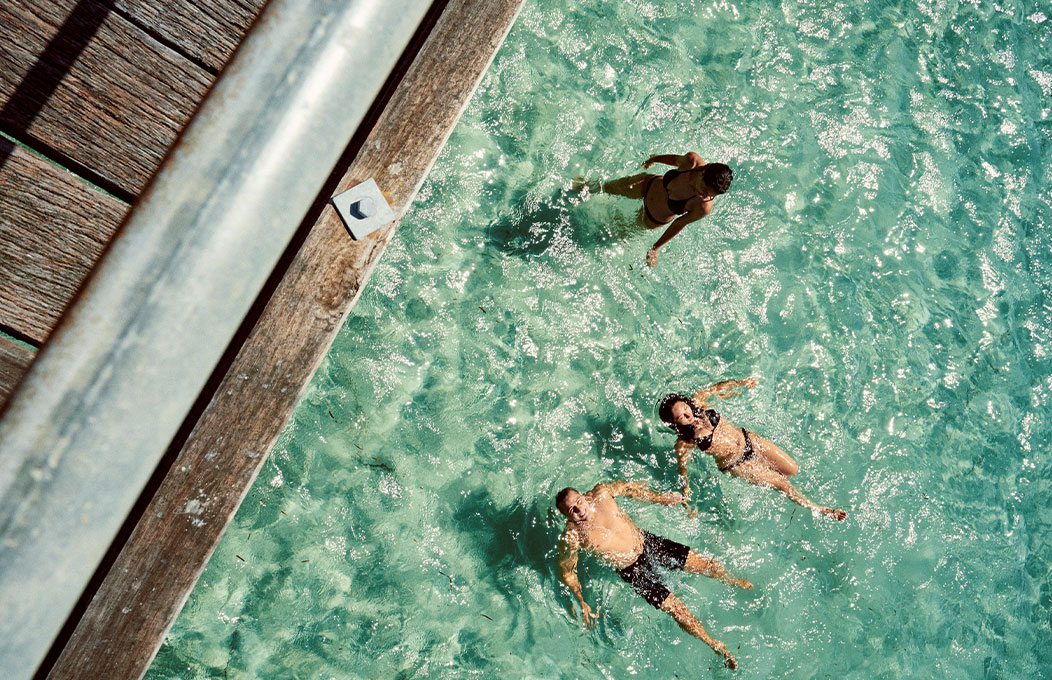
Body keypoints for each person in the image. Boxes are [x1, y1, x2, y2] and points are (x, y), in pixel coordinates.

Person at [556, 480, 753, 669]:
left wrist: (659, 498)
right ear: (565, 516)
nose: (579, 510)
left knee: (706, 565)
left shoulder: (602, 493)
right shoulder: (572, 537)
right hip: (632, 570)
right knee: (677, 610)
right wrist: (581, 600)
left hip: (648, 544)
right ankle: (715, 644)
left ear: (583, 495)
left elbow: (630, 489)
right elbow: (567, 571)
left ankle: (731, 580)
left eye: (578, 502)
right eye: (571, 510)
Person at [658, 379, 847, 520]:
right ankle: (822, 510)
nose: (686, 414)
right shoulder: (685, 442)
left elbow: (717, 388)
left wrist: (741, 383)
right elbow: (683, 469)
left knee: (792, 470)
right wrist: (686, 494)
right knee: (782, 484)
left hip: (750, 440)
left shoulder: (698, 403)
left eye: (684, 408)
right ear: (675, 424)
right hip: (738, 463)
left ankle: (786, 486)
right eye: (680, 417)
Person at [598, 152, 733, 267]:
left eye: (710, 195)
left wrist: (655, 248)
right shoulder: (691, 162)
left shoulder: (703, 207)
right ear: (703, 173)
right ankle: (580, 185)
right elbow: (673, 160)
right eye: (704, 189)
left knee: (616, 234)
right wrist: (653, 159)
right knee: (606, 187)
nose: (704, 196)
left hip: (651, 218)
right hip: (647, 185)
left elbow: (679, 223)